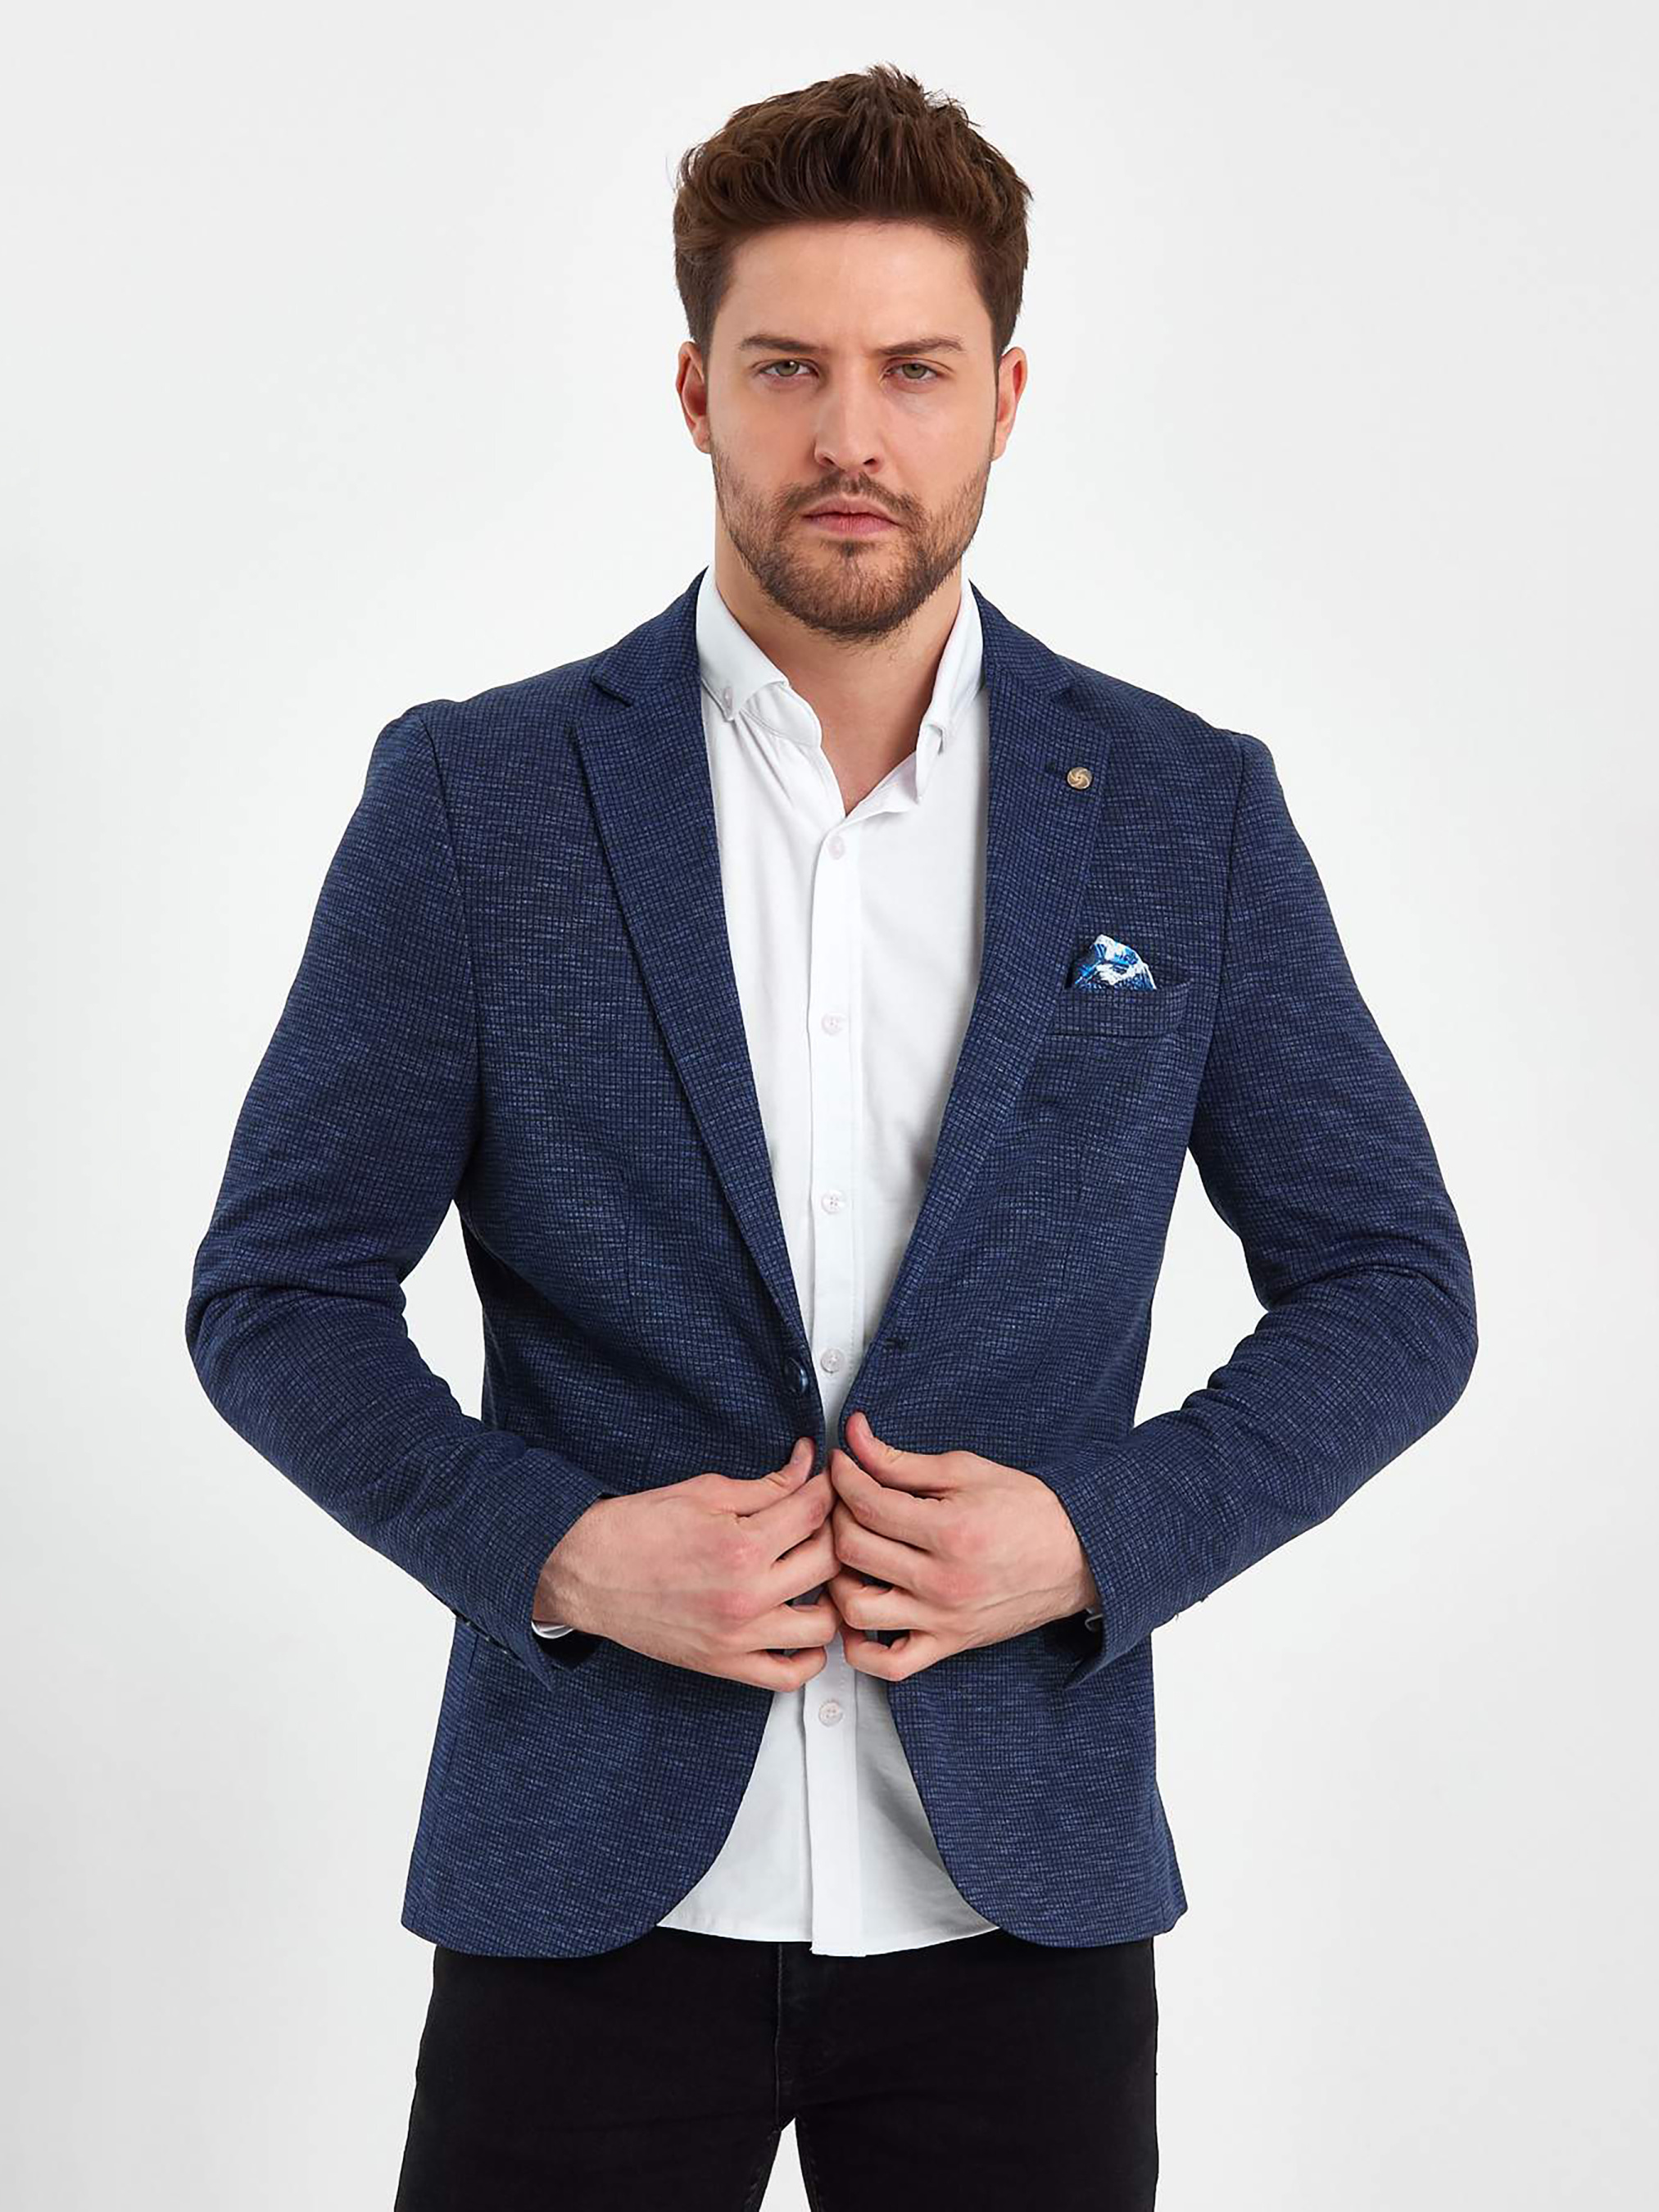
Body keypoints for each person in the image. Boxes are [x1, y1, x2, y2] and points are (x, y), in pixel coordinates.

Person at [184, 63, 1477, 2212]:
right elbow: (278, 1295)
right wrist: (556, 1550)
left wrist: (1096, 1534)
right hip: (582, 1894)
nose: (850, 434)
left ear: (1005, 398)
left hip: (1020, 1906)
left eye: (914, 370)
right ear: (696, 390)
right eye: (788, 367)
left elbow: (1394, 1287)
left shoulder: (1186, 813)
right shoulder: (478, 800)